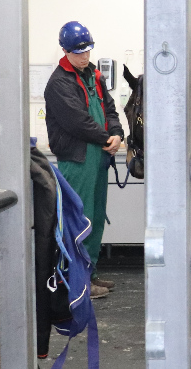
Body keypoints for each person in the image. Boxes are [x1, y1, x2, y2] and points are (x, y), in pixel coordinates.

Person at [45, 21, 124, 298]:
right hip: (78, 159)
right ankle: (75, 279)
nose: (84, 56)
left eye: (87, 50)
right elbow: (77, 121)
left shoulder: (95, 77)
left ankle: (89, 271)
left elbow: (110, 110)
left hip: (99, 155)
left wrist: (116, 133)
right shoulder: (59, 83)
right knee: (79, 219)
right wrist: (106, 139)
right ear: (65, 51)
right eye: (78, 52)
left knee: (97, 216)